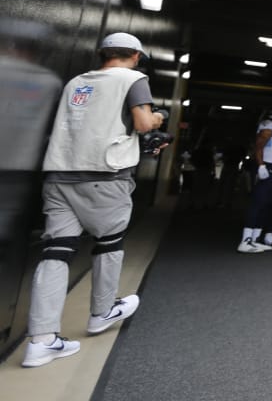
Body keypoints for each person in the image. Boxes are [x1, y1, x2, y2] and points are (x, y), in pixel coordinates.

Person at [21, 32, 165, 368]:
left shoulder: (77, 82)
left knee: (56, 251)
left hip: (59, 174)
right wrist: (157, 120)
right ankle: (102, 312)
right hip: (104, 177)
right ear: (136, 56)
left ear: (103, 54)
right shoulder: (134, 78)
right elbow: (143, 123)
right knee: (109, 244)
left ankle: (41, 340)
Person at [236, 104, 272, 253]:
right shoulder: (270, 125)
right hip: (267, 165)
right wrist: (261, 165)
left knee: (267, 204)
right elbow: (259, 145)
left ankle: (254, 239)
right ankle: (246, 240)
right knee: (258, 203)